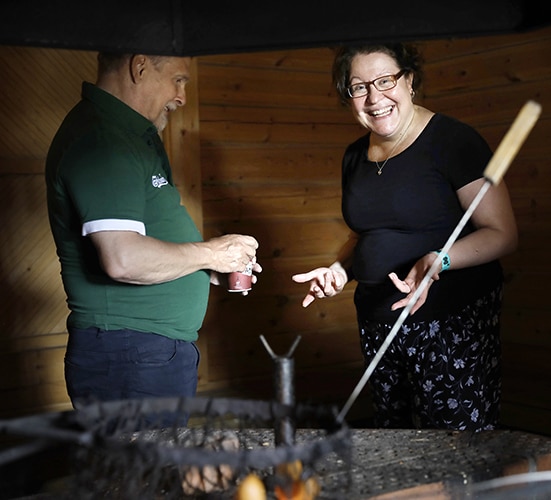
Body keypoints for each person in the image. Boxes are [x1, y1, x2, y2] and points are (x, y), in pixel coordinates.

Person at [292, 43, 518, 431]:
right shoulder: (354, 156)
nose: (374, 97)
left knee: (454, 443)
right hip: (377, 320)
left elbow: (503, 234)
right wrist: (340, 270)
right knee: (394, 441)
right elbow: (365, 235)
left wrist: (439, 259)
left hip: (448, 321)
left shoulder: (453, 141)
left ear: (409, 81)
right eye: (359, 87)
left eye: (385, 81)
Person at [46, 52, 262, 407]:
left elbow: (147, 241)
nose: (182, 97)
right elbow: (123, 259)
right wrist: (211, 253)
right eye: (178, 80)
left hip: (141, 352)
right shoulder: (104, 138)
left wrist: (209, 268)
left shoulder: (129, 135)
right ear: (140, 67)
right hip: (130, 354)